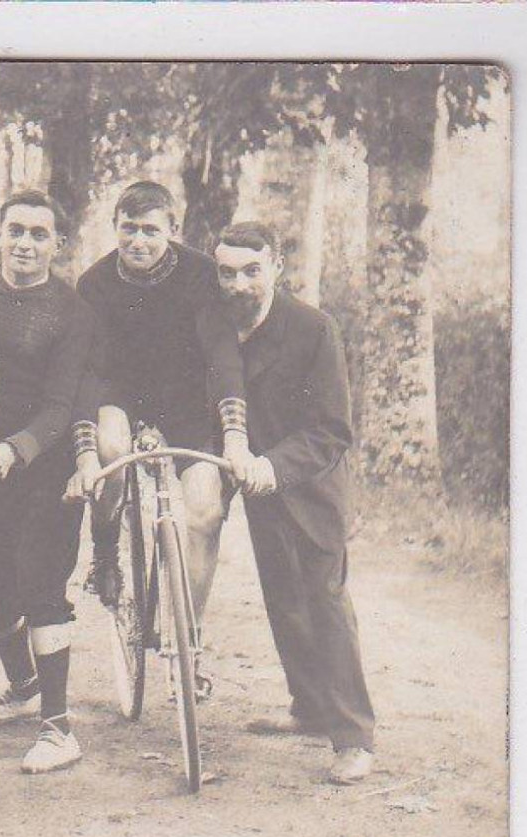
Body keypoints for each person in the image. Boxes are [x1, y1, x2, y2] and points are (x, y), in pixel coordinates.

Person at [70, 181, 252, 696]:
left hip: (188, 401)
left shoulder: (199, 276)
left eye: (151, 230)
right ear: (115, 229)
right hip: (121, 394)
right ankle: (105, 548)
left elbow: (222, 354)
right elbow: (87, 372)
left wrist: (234, 436)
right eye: (129, 229)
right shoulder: (96, 284)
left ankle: (189, 645)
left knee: (205, 511)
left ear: (173, 230)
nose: (139, 242)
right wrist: (86, 454)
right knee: (110, 449)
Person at [213, 222, 377, 784]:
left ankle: (354, 737)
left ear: (276, 268)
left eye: (252, 270)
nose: (239, 284)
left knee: (325, 602)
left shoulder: (312, 330)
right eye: (227, 273)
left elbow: (333, 430)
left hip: (311, 489)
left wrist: (274, 467)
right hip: (260, 491)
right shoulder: (219, 327)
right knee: (283, 598)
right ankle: (308, 708)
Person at [0, 190, 106, 774]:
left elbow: (61, 403)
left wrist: (13, 451)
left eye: (39, 234)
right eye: (15, 230)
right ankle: (21, 687)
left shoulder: (73, 313)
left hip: (44, 458)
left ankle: (58, 727)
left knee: (41, 578)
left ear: (57, 245)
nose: (24, 244)